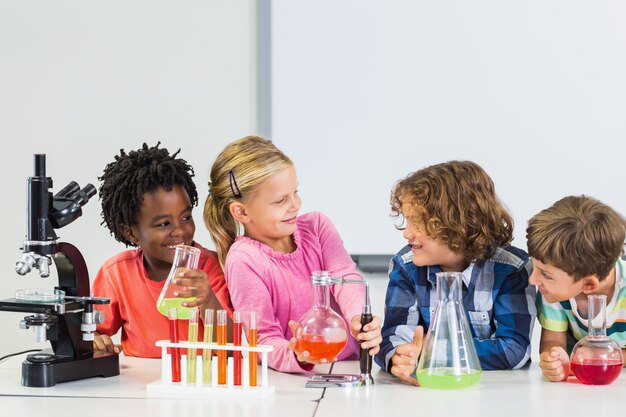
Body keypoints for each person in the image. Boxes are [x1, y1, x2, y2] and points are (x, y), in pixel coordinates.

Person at [203, 135, 382, 373]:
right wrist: (297, 355)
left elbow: (346, 277)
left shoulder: (317, 227)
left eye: (295, 192)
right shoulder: (244, 259)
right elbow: (263, 338)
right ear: (242, 212)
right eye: (280, 201)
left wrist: (358, 318)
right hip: (298, 379)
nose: (296, 204)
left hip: (349, 366)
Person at [375, 160, 536, 385]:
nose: (407, 233)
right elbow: (392, 337)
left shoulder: (511, 269)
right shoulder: (406, 266)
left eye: (418, 223)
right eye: (407, 221)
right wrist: (398, 358)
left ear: (460, 226)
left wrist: (434, 352)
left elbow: (514, 349)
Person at [92, 143, 233, 357]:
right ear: (130, 232)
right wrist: (94, 340)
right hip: (141, 387)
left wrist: (208, 300)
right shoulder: (117, 274)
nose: (180, 231)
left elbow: (234, 348)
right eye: (163, 224)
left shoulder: (210, 269)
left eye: (186, 217)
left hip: (201, 382)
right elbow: (91, 332)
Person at [527, 195, 626, 382]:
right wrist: (554, 359)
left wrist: (598, 356)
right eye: (535, 268)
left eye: (545, 274)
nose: (533, 279)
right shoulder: (553, 290)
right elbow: (552, 341)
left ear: (589, 284)